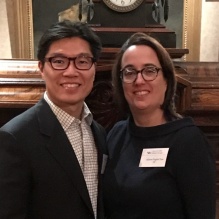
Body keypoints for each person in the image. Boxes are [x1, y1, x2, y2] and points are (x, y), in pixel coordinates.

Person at [0, 20, 106, 219]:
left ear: (94, 68)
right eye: (59, 61)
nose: (71, 72)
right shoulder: (14, 138)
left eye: (82, 61)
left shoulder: (99, 132)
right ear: (41, 67)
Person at [103, 32, 216, 219]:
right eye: (130, 72)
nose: (139, 81)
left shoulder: (188, 142)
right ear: (120, 82)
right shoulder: (116, 134)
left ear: (166, 80)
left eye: (149, 70)